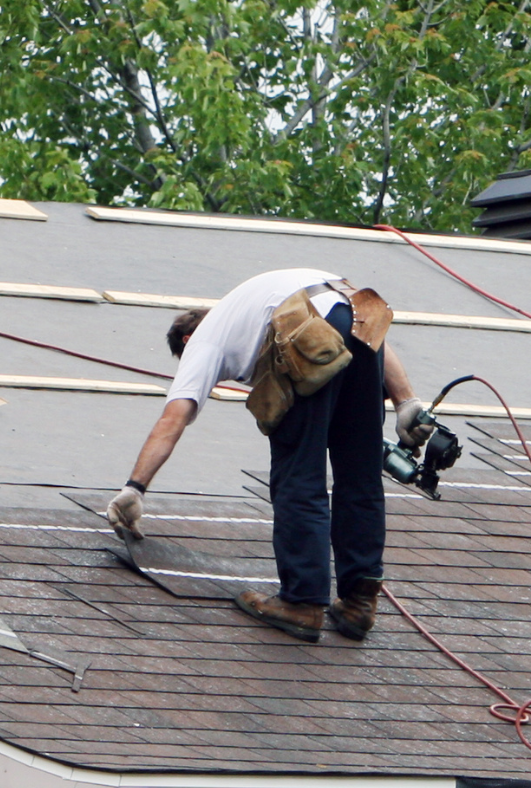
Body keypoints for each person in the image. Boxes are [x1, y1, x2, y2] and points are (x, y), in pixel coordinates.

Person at [107, 269, 451, 643]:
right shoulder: (249, 305)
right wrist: (406, 402)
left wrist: (134, 488)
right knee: (360, 471)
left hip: (308, 327)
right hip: (358, 311)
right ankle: (358, 603)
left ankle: (302, 602)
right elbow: (361, 328)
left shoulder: (204, 341)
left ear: (187, 338)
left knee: (298, 473)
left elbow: (174, 417)